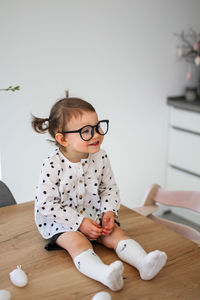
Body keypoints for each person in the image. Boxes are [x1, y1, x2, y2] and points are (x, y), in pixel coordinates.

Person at [32, 93, 167, 291]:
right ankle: (104, 274)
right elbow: (46, 204)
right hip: (63, 223)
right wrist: (80, 223)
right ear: (63, 139)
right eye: (86, 131)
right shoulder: (52, 165)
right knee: (77, 242)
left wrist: (108, 212)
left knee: (116, 233)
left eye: (97, 127)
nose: (96, 134)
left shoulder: (101, 158)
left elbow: (109, 188)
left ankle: (143, 263)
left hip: (94, 215)